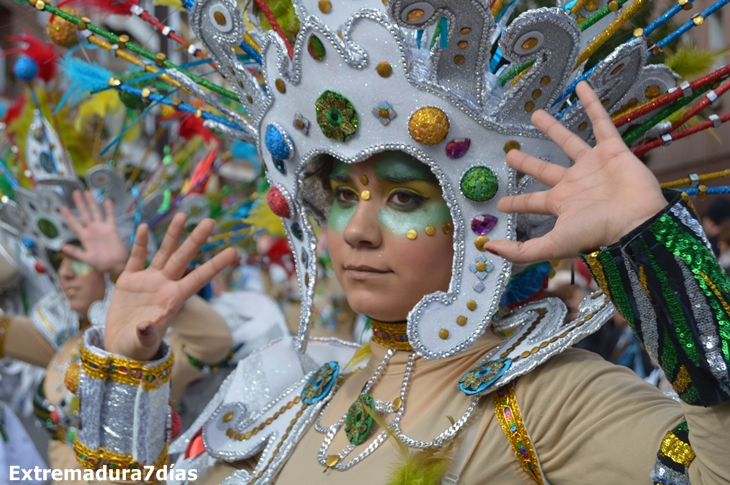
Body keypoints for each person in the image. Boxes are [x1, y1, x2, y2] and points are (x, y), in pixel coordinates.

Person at [59, 0, 730, 483]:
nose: (355, 228)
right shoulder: (291, 387)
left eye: (404, 198)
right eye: (343, 195)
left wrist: (656, 244)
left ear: (483, 225)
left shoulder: (546, 398)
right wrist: (125, 372)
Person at [0, 189, 233, 484]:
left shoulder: (152, 350)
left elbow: (214, 342)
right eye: (59, 262)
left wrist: (123, 270)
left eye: (82, 260)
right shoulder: (64, 347)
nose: (66, 273)